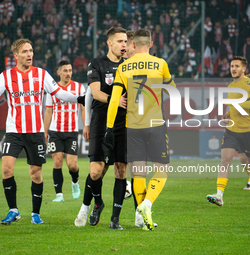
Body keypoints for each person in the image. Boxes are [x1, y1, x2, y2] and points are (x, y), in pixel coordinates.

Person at [0, 38, 85, 225]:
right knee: (6, 169)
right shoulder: (6, 76)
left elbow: (59, 93)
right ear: (16, 55)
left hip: (35, 132)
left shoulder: (42, 75)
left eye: (31, 51)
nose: (30, 55)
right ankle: (13, 210)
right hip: (14, 131)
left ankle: (35, 213)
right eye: (25, 51)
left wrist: (79, 99)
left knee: (36, 173)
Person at [104, 28, 176, 231]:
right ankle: (147, 204)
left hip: (132, 127)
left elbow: (115, 101)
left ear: (133, 45)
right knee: (162, 170)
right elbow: (174, 93)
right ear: (151, 44)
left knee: (138, 174)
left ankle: (141, 217)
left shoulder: (124, 67)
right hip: (155, 124)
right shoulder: (160, 64)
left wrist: (109, 129)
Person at [74, 27, 127, 230]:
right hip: (100, 122)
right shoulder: (96, 64)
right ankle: (97, 203)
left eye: (125, 42)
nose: (123, 45)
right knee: (96, 172)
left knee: (120, 170)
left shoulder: (129, 66)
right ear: (109, 43)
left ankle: (115, 219)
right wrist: (115, 102)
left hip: (123, 124)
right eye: (120, 41)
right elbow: (95, 93)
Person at [206, 56, 250, 206]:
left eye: (237, 66)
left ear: (244, 69)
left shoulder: (248, 83)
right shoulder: (230, 86)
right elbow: (233, 106)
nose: (233, 69)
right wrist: (229, 113)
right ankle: (219, 195)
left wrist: (238, 101)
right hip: (232, 129)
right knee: (225, 160)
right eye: (232, 66)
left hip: (248, 130)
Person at [44, 60, 85, 202]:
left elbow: (83, 109)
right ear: (59, 72)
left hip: (72, 132)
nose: (68, 73)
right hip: (55, 131)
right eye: (65, 71)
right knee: (57, 162)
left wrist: (86, 126)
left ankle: (75, 182)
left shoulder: (79, 88)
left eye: (70, 70)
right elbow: (48, 111)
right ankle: (59, 194)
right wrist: (44, 131)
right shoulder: (52, 90)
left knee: (72, 165)